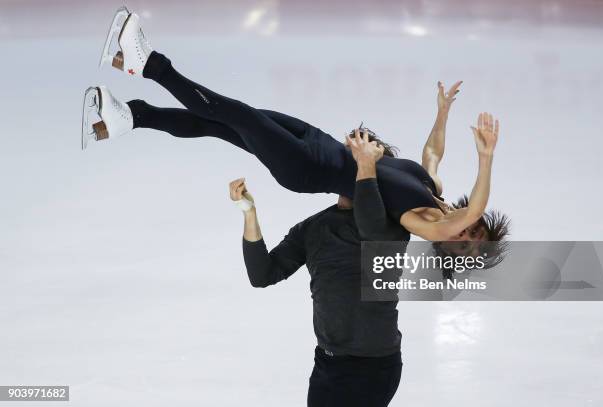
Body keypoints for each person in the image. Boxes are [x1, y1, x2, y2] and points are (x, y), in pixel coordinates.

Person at [82, 7, 509, 258]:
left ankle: (148, 64)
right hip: (316, 141)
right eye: (476, 232)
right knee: (221, 124)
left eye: (467, 244)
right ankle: (128, 119)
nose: (466, 233)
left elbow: (468, 213)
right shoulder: (431, 187)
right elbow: (432, 153)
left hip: (304, 169)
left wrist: (486, 159)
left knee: (237, 115)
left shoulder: (422, 225)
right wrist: (442, 113)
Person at [229, 130, 407, 406]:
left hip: (376, 366)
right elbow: (262, 275)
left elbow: (373, 226)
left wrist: (367, 166)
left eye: (360, 161)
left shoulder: (392, 226)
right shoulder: (312, 228)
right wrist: (248, 212)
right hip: (328, 363)